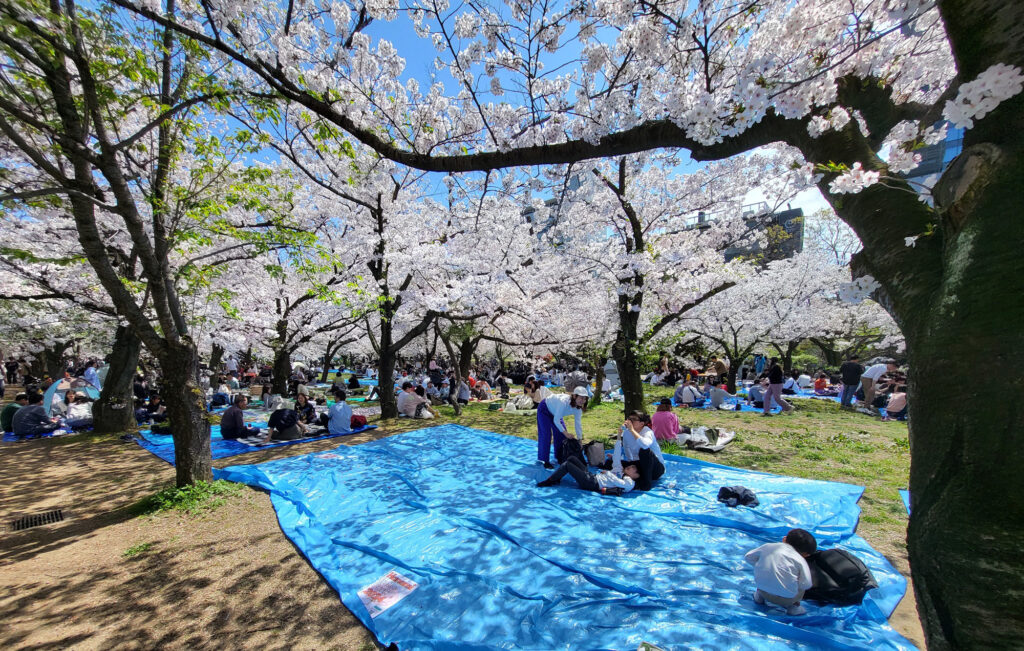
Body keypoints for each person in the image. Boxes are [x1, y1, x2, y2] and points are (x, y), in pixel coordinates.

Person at [536, 433, 639, 495]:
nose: (630, 467)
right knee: (572, 458)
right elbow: (617, 454)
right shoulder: (620, 470)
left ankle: (550, 480)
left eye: (633, 469)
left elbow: (621, 484)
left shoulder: (630, 483)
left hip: (591, 483)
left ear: (636, 475)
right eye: (631, 466)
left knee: (568, 465)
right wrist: (618, 438)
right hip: (592, 476)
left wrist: (608, 474)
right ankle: (557, 477)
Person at [745, 529, 817, 616]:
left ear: (784, 539)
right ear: (806, 554)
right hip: (787, 599)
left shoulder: (768, 547)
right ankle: (794, 607)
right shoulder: (800, 560)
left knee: (765, 573)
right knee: (801, 582)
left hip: (762, 590)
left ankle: (759, 597)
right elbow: (806, 584)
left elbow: (748, 557)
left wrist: (760, 564)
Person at [536, 387, 589, 469]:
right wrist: (566, 433)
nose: (583, 401)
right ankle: (545, 461)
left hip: (556, 413)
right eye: (581, 398)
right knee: (546, 435)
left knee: (561, 435)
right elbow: (556, 420)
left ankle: (559, 457)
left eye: (585, 399)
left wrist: (580, 439)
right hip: (544, 409)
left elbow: (578, 424)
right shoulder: (564, 402)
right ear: (574, 396)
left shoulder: (578, 409)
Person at [620, 410, 666, 490]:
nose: (630, 421)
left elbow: (645, 445)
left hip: (655, 468)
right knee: (614, 462)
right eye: (629, 418)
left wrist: (632, 431)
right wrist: (631, 462)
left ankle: (646, 484)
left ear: (642, 424)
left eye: (633, 419)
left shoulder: (647, 432)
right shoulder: (627, 433)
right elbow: (626, 448)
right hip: (640, 464)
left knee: (644, 451)